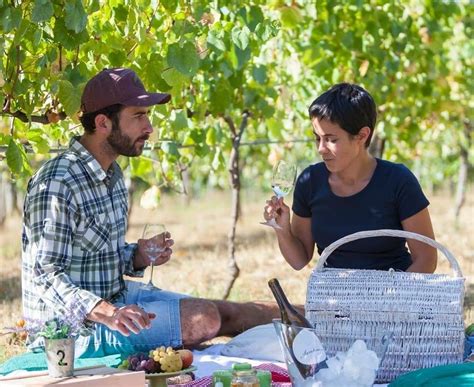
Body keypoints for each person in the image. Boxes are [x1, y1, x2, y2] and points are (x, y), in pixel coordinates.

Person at [22, 68, 279, 358]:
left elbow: (99, 258)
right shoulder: (58, 181)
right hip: (72, 330)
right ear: (103, 122)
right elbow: (45, 274)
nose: (149, 127)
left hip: (116, 299)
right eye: (138, 116)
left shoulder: (113, 175)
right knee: (204, 319)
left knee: (223, 312)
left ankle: (316, 319)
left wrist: (137, 256)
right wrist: (106, 311)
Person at [263, 83, 437, 273]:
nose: (321, 148)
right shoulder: (310, 182)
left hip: (392, 293)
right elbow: (299, 261)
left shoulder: (398, 181)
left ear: (362, 136)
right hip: (334, 296)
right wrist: (282, 230)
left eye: (331, 139)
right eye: (317, 138)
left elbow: (426, 260)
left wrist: (389, 298)